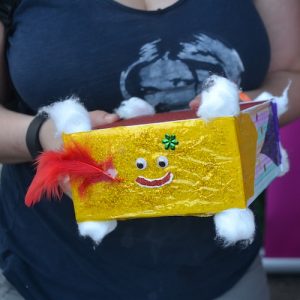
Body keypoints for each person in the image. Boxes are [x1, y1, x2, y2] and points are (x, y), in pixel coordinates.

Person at [0, 0, 299, 299]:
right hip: (46, 275)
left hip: (224, 274)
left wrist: (245, 107)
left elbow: (291, 73)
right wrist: (43, 135)